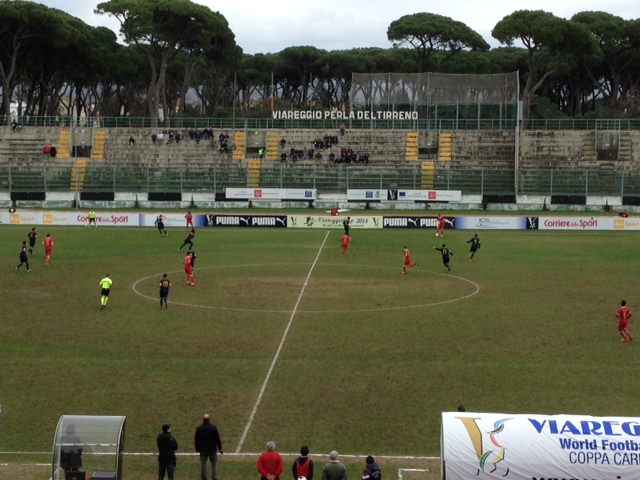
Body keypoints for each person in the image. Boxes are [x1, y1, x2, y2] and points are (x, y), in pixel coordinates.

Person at [194, 413, 223, 480]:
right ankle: (214, 478)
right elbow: (217, 439)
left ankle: (204, 478)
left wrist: (197, 448)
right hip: (212, 450)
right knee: (214, 465)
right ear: (209, 419)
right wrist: (220, 448)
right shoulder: (213, 427)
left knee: (203, 465)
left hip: (203, 450)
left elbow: (196, 439)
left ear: (203, 420)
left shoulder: (199, 428)